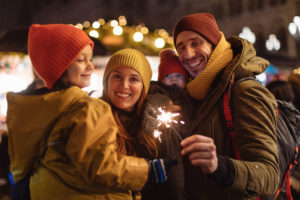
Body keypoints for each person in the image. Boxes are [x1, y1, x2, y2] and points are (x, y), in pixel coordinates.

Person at [6, 24, 173, 200]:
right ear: (60, 65)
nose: (90, 67)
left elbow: (23, 167)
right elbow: (100, 167)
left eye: (90, 59)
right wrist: (149, 169)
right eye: (81, 60)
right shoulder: (89, 108)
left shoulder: (35, 107)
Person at [173, 13, 279, 199]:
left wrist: (220, 166)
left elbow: (269, 177)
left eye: (196, 43)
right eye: (181, 47)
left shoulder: (244, 91)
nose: (188, 54)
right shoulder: (193, 92)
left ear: (214, 45)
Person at [101, 48, 178, 200]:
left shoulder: (160, 122)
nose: (124, 85)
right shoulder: (93, 120)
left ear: (144, 85)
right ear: (106, 81)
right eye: (117, 76)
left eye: (134, 79)